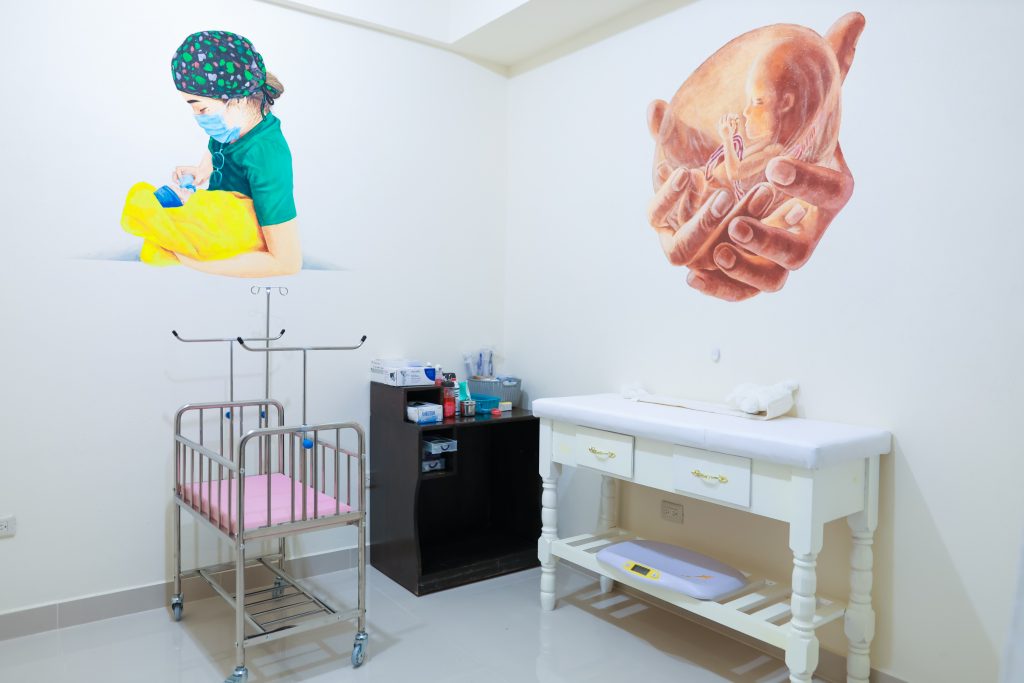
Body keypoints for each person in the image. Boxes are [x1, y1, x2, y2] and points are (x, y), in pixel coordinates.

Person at [646, 13, 864, 300]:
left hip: (720, 198)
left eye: (758, 102)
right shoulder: (761, 142)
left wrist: (728, 138)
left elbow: (737, 172)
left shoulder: (775, 154)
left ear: (786, 103)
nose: (747, 111)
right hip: (710, 193)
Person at [121, 30, 301, 277]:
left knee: (145, 209)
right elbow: (216, 145)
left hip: (237, 238)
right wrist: (202, 170)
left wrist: (187, 261)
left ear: (237, 99)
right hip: (216, 216)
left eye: (202, 109)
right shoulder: (231, 126)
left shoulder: (267, 156)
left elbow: (287, 263)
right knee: (153, 206)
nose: (198, 117)